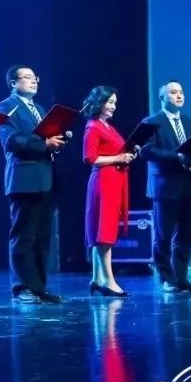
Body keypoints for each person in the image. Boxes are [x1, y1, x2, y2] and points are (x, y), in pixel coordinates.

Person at [0, 65, 67, 304]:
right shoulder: (6, 106)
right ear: (13, 83)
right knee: (23, 235)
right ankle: (21, 287)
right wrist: (44, 144)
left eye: (34, 77)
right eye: (26, 77)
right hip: (23, 179)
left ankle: (38, 286)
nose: (33, 80)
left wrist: (56, 142)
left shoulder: (40, 109)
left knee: (43, 237)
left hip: (46, 178)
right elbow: (12, 140)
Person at [139, 80, 191, 293]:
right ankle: (166, 278)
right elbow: (146, 151)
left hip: (188, 184)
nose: (179, 95)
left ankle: (181, 278)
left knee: (186, 234)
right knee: (163, 235)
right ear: (162, 98)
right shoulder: (152, 122)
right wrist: (177, 157)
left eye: (181, 92)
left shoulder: (189, 122)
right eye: (174, 92)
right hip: (165, 186)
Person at [80, 85, 133, 297]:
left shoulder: (107, 126)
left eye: (114, 103)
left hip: (114, 180)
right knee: (104, 231)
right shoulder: (93, 127)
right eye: (109, 102)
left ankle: (97, 278)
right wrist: (118, 158)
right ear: (99, 103)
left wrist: (128, 153)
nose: (113, 106)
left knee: (103, 229)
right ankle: (109, 281)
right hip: (104, 182)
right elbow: (90, 158)